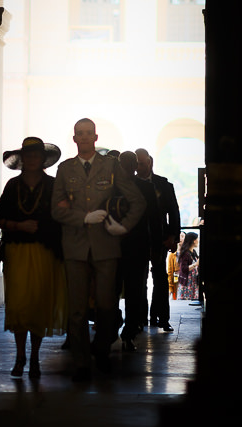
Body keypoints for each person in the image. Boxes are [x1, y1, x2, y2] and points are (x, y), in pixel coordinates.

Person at [52, 118, 146, 380]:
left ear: (95, 137)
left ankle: (102, 350)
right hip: (75, 246)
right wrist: (82, 218)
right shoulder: (65, 169)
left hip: (106, 244)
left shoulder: (111, 166)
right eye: (79, 134)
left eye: (88, 133)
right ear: (74, 139)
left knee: (107, 306)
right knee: (78, 309)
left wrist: (124, 227)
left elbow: (137, 200)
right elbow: (55, 209)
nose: (83, 138)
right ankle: (82, 362)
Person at [0, 137, 68, 379]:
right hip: (17, 252)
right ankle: (19, 355)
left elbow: (62, 217)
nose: (33, 159)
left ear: (42, 159)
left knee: (37, 304)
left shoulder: (54, 185)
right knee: (19, 304)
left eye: (36, 155)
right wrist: (19, 225)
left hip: (45, 252)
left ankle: (34, 356)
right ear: (22, 158)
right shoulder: (12, 186)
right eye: (29, 155)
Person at [116, 150, 159, 352]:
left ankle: (126, 330)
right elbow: (155, 221)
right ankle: (128, 332)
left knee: (126, 292)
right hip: (131, 246)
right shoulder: (145, 188)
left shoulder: (113, 189)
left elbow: (155, 220)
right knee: (132, 292)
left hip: (127, 246)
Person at [134, 149, 181, 331]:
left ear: (150, 163)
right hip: (139, 238)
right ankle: (140, 318)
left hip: (160, 237)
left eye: (142, 164)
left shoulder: (163, 184)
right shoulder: (132, 184)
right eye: (137, 165)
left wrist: (173, 236)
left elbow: (174, 212)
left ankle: (161, 318)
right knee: (139, 279)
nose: (139, 168)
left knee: (161, 279)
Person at [178, 231, 201, 301]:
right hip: (187, 284)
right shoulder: (185, 253)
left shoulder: (193, 252)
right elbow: (184, 268)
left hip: (193, 283)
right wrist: (195, 264)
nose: (198, 241)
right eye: (197, 239)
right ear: (194, 241)